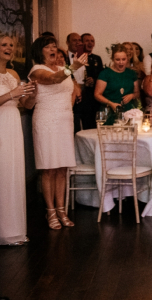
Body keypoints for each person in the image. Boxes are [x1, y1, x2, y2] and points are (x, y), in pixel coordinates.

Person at [28, 35, 87, 229]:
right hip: (46, 120)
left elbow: (73, 90)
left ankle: (62, 210)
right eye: (48, 46)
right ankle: (50, 212)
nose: (53, 48)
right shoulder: (37, 70)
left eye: (55, 45)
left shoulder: (64, 69)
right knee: (49, 167)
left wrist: (68, 111)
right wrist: (74, 67)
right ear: (40, 51)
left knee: (62, 167)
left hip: (64, 121)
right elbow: (53, 80)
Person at [0, 35, 37, 245]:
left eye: (11, 45)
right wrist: (11, 94)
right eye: (4, 45)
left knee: (12, 175)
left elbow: (27, 105)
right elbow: (11, 97)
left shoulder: (14, 73)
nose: (9, 48)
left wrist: (32, 94)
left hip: (12, 127)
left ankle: (12, 230)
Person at [94, 44, 140, 121]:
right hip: (110, 111)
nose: (121, 62)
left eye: (123, 59)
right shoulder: (105, 73)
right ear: (112, 59)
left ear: (128, 58)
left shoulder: (131, 73)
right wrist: (111, 104)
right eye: (117, 60)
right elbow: (97, 94)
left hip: (128, 112)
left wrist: (132, 95)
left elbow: (137, 93)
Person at [75, 33, 104, 130]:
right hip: (80, 96)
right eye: (87, 40)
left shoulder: (97, 58)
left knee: (94, 125)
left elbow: (101, 75)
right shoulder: (76, 58)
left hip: (94, 97)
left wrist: (94, 80)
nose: (90, 43)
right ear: (81, 43)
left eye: (92, 41)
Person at [65, 33, 87, 132]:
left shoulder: (86, 56)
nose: (78, 42)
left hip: (85, 93)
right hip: (71, 94)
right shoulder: (63, 57)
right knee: (74, 125)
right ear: (67, 42)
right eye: (74, 40)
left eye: (79, 40)